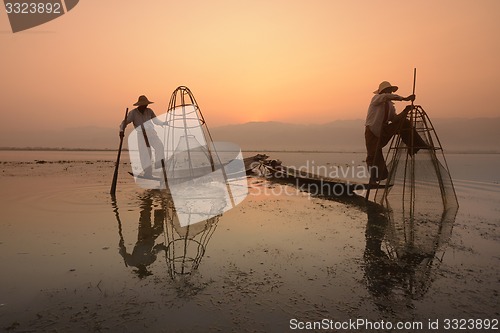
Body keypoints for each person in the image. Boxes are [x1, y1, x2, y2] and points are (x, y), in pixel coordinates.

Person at [365, 81, 428, 181]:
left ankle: (415, 145)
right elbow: (385, 97)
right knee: (373, 155)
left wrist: (405, 111)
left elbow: (394, 119)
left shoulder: (390, 106)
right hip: (372, 131)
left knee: (404, 123)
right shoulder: (376, 99)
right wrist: (404, 99)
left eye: (390, 91)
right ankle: (374, 179)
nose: (390, 93)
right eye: (388, 91)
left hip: (384, 130)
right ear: (383, 91)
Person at [120, 95, 166, 178]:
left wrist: (163, 123)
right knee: (145, 154)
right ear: (140, 105)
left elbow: (155, 120)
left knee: (160, 146)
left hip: (152, 133)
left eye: (146, 104)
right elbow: (125, 122)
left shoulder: (149, 111)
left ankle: (159, 165)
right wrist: (121, 131)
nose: (146, 106)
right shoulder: (133, 113)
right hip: (141, 135)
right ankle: (147, 173)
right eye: (144, 104)